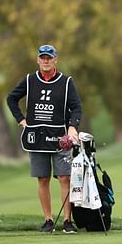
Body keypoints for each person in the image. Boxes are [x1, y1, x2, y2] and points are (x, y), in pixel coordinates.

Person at [7, 44, 82, 233]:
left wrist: (73, 126)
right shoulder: (29, 80)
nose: (46, 61)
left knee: (65, 178)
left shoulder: (66, 82)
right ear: (38, 60)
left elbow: (76, 108)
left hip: (60, 137)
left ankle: (67, 221)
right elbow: (11, 98)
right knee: (43, 179)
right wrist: (22, 121)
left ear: (56, 60)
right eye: (43, 57)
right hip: (37, 137)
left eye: (49, 57)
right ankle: (48, 220)